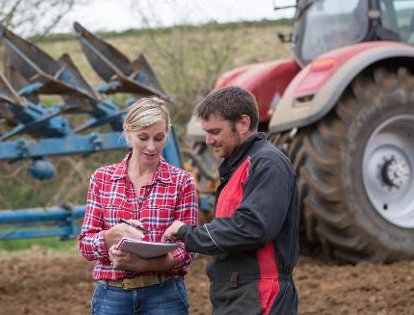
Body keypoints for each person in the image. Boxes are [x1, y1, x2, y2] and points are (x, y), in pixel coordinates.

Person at [163, 87, 299, 315]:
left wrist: (188, 234)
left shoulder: (267, 164)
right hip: (238, 294)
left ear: (243, 124)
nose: (209, 140)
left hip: (261, 294)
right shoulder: (238, 167)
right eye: (207, 132)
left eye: (215, 131)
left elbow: (252, 227)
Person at [79, 96, 198, 315]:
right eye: (143, 137)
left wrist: (146, 265)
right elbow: (85, 245)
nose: (151, 146)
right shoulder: (102, 178)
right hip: (112, 295)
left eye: (159, 137)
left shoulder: (182, 182)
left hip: (164, 294)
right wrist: (109, 237)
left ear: (167, 134)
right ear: (128, 131)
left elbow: (189, 247)